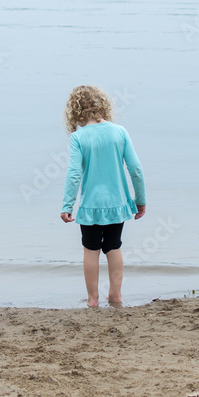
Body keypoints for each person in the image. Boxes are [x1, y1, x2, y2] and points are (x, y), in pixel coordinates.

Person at [60, 85, 145, 308]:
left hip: (90, 206)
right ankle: (115, 296)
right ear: (103, 105)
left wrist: (67, 205)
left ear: (75, 111)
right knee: (113, 247)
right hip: (117, 204)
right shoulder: (120, 131)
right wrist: (140, 199)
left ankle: (92, 299)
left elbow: (74, 174)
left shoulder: (78, 138)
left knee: (91, 249)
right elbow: (135, 168)